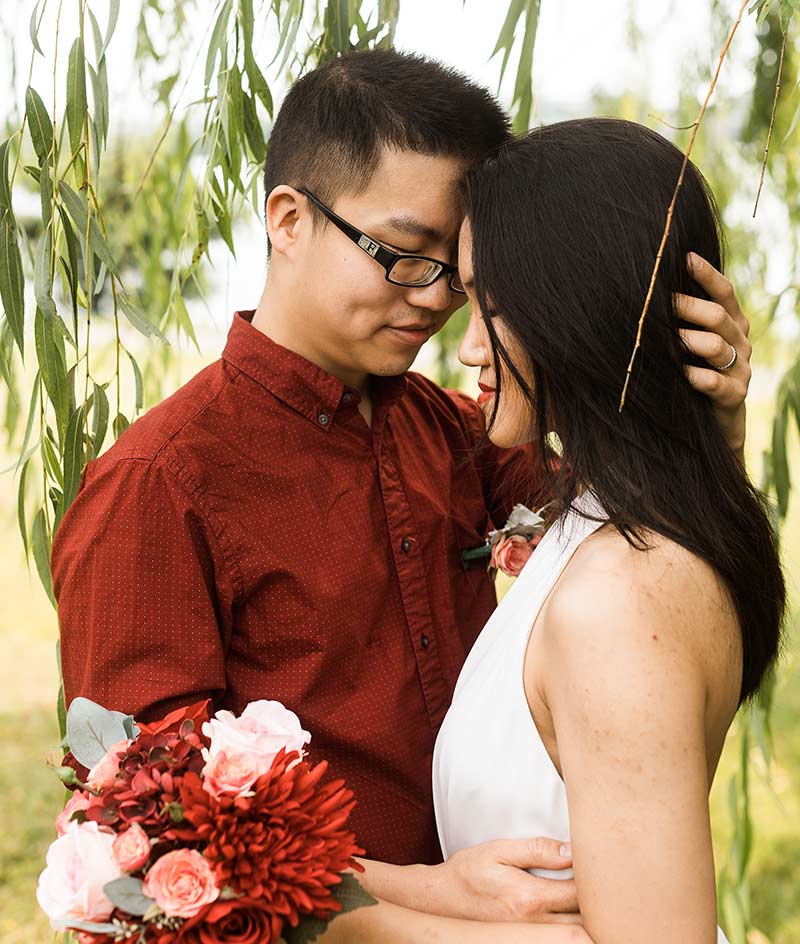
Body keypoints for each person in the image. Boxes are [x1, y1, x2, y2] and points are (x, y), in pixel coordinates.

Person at [51, 55, 752, 923]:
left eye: (458, 269)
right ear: (288, 220)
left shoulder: (455, 432)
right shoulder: (159, 487)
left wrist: (700, 417)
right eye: (404, 255)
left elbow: (657, 580)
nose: (439, 302)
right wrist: (423, 892)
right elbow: (146, 838)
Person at [316, 119, 785, 942]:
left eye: (488, 309)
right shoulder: (630, 525)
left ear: (574, 313)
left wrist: (333, 925)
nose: (466, 352)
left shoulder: (619, 599)